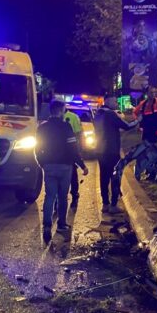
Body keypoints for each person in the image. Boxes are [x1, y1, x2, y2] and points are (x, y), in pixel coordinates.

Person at [36, 100, 89, 241]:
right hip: (65, 166)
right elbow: (73, 149)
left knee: (49, 196)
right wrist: (82, 165)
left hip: (49, 166)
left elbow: (37, 148)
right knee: (62, 196)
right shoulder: (66, 127)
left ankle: (46, 226)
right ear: (61, 111)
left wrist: (42, 163)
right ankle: (61, 224)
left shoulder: (42, 128)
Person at [94, 96, 139, 211]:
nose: (117, 103)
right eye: (115, 101)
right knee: (115, 176)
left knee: (103, 177)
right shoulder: (110, 114)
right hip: (111, 151)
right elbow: (126, 126)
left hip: (100, 150)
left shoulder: (98, 114)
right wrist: (138, 120)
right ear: (108, 102)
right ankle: (114, 204)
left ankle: (105, 204)